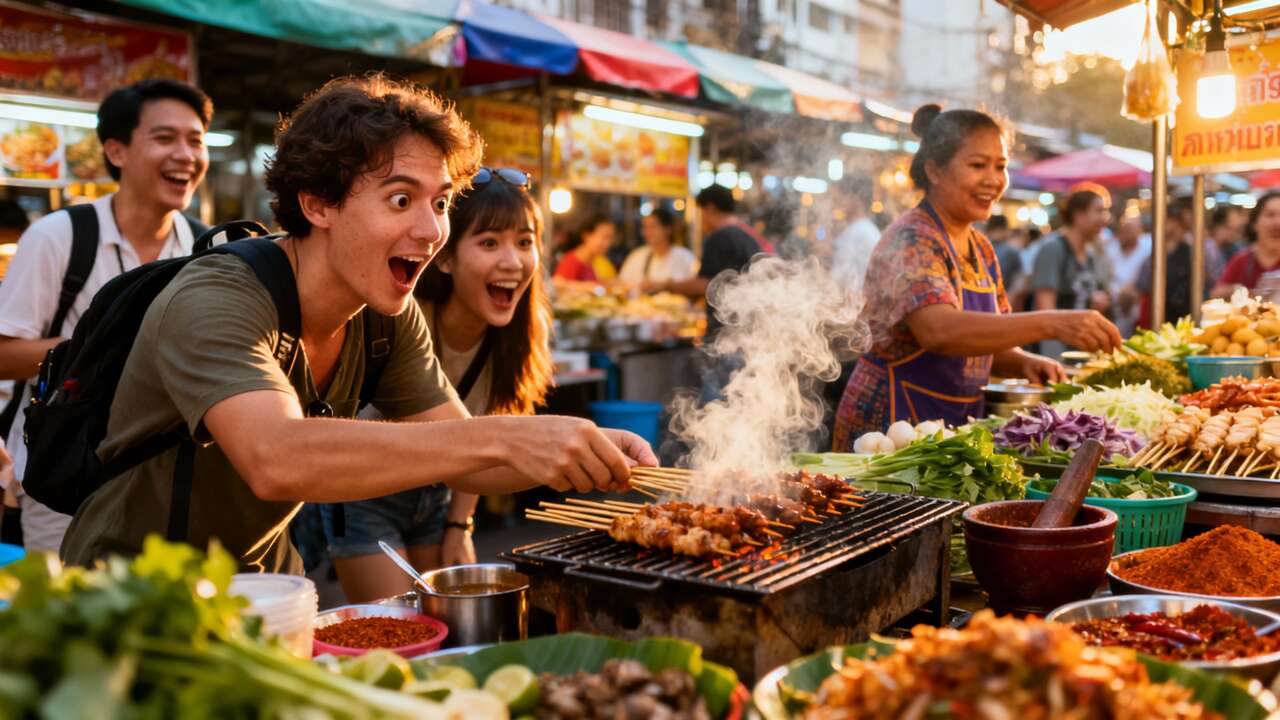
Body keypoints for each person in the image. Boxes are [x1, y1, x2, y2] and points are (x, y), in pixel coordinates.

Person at [59, 75, 654, 573]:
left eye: (441, 202)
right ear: (317, 203)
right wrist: (507, 437)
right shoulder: (217, 296)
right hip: (129, 586)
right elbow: (276, 458)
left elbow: (468, 455)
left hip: (266, 582)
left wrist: (582, 444)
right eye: (401, 200)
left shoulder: (387, 314)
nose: (430, 232)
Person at [322, 167, 555, 602]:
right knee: (397, 629)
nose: (513, 261)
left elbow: (483, 435)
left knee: (442, 622)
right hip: (367, 491)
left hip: (437, 497)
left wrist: (458, 523)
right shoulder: (405, 320)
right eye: (489, 243)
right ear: (444, 257)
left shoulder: (516, 337)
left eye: (525, 242)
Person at [0, 79, 212, 554]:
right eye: (164, 139)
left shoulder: (207, 249)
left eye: (195, 140)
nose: (186, 154)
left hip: (170, 479)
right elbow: (3, 355)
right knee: (72, 617)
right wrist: (105, 347)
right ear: (116, 151)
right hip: (66, 481)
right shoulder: (58, 237)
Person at [832, 104, 1120, 447]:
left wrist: (1024, 362)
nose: (993, 180)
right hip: (887, 429)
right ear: (935, 171)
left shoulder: (981, 248)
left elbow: (982, 343)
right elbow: (938, 331)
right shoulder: (911, 238)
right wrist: (1053, 323)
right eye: (977, 165)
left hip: (949, 429)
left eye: (1001, 166)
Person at [651, 184, 763, 343]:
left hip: (725, 334)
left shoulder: (720, 237)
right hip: (747, 331)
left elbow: (706, 284)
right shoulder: (746, 236)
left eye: (700, 213)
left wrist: (668, 285)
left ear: (710, 209)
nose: (701, 220)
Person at [1030, 188, 1115, 359]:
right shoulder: (1053, 249)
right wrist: (1056, 361)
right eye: (1099, 211)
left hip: (1079, 354)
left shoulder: (1090, 254)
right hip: (1053, 355)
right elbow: (1045, 310)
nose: (1106, 219)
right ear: (1078, 215)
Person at [1212, 192, 1280, 299]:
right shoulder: (1242, 259)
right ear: (1254, 224)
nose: (1277, 223)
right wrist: (1240, 290)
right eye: (1270, 215)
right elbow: (1216, 294)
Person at [1137, 208, 1195, 326]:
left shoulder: (1190, 252)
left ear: (1176, 222)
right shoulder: (1155, 253)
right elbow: (1142, 284)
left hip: (1185, 319)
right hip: (1158, 318)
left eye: (1167, 220)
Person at [619, 207, 697, 289]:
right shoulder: (637, 256)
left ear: (667, 229)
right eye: (644, 227)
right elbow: (622, 283)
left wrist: (668, 285)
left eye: (653, 227)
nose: (647, 232)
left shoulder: (685, 256)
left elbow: (695, 284)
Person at [830, 175, 881, 290]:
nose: (838, 200)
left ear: (857, 198)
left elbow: (840, 278)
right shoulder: (858, 229)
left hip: (854, 302)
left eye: (843, 195)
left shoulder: (862, 232)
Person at [1107, 216, 1151, 337]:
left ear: (1140, 231)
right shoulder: (1112, 248)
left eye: (1130, 230)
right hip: (1111, 302)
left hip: (1137, 303)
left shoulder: (1148, 247)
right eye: (1124, 230)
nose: (1126, 233)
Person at [553, 215, 617, 286]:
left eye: (610, 238)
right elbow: (557, 285)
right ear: (587, 235)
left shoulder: (591, 261)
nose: (608, 243)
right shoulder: (572, 261)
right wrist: (594, 288)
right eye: (605, 237)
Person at [986, 215, 1020, 290]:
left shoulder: (978, 247)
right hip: (1004, 295)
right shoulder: (1011, 251)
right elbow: (1018, 278)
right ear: (1004, 229)